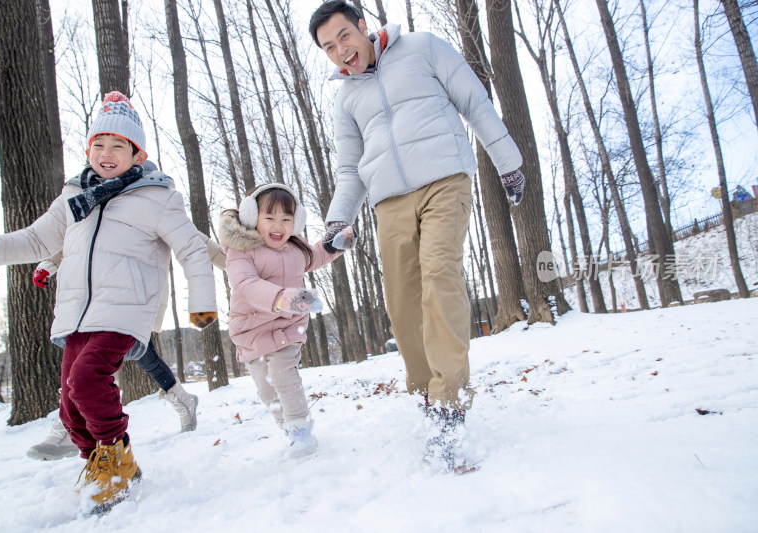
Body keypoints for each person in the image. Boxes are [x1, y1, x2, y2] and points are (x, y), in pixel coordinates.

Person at [0, 91, 218, 514]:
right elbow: (37, 239)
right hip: (77, 312)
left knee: (86, 381)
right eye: (99, 144)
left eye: (118, 145)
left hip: (125, 310)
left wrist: (202, 302)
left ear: (138, 154)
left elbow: (192, 248)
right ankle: (97, 462)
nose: (106, 153)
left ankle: (116, 456)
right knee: (70, 402)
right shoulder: (74, 197)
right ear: (88, 151)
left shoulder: (157, 197)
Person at [309, 1, 525, 470]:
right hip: (389, 201)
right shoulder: (345, 98)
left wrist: (508, 162)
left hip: (445, 179)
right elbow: (350, 168)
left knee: (440, 275)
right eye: (328, 47)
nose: (341, 51)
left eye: (344, 36)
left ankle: (450, 405)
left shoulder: (423, 48)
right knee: (402, 303)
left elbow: (473, 101)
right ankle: (428, 395)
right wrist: (336, 220)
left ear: (363, 27)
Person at [27, 246, 216, 460]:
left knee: (138, 359)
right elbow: (80, 237)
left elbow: (191, 239)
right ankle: (71, 426)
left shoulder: (155, 212)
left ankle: (73, 428)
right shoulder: (100, 212)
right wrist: (48, 264)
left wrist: (241, 261)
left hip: (134, 295)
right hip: (95, 295)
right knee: (89, 361)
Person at [219, 183, 352, 457]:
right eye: (269, 218)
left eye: (286, 219)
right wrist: (281, 297)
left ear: (296, 222)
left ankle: (300, 432)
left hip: (289, 326)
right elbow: (245, 284)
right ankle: (289, 427)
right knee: (266, 389)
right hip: (252, 331)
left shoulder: (296, 250)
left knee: (282, 373)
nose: (278, 225)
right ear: (252, 217)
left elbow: (317, 255)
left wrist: (336, 244)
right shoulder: (241, 251)